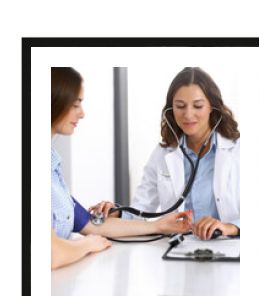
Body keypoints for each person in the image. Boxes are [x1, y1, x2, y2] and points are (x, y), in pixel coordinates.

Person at [51, 67, 192, 270]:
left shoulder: (51, 166)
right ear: (54, 101)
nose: (82, 113)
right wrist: (87, 244)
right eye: (76, 104)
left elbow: (90, 224)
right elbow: (52, 253)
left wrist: (158, 225)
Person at [90, 67, 240, 241]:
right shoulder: (163, 154)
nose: (188, 114)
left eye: (198, 106)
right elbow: (141, 208)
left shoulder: (239, 151)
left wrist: (230, 227)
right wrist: (117, 213)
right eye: (180, 106)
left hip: (227, 250)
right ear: (171, 109)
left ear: (212, 108)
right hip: (177, 249)